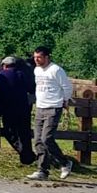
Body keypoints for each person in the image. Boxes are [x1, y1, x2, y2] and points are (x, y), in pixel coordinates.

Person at [27, 46, 73, 181]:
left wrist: (64, 100)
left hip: (53, 107)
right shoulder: (36, 70)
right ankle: (42, 170)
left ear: (47, 57)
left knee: (47, 138)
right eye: (35, 57)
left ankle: (65, 163)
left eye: (39, 57)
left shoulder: (56, 70)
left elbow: (67, 87)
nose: (36, 60)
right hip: (40, 107)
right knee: (38, 140)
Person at [0, 57, 36, 165]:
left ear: (4, 65)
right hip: (24, 108)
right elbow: (31, 89)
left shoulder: (1, 76)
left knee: (9, 132)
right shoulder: (22, 74)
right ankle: (26, 157)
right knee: (24, 133)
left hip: (8, 108)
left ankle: (27, 154)